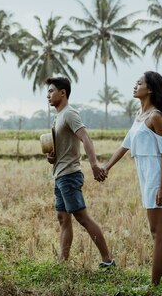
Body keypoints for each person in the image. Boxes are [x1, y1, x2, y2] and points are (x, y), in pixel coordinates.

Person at [102, 71, 162, 285]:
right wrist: (106, 167)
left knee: (157, 233)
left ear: (150, 89)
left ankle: (154, 285)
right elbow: (125, 145)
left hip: (156, 179)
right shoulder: (139, 116)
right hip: (147, 178)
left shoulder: (155, 116)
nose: (135, 86)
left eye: (139, 83)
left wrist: (161, 187)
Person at [45, 76, 115, 268]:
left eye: (51, 91)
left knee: (82, 218)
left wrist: (94, 166)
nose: (48, 95)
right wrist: (52, 158)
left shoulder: (69, 114)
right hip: (60, 174)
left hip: (69, 175)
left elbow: (86, 138)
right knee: (63, 218)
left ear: (63, 93)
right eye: (48, 92)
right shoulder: (58, 117)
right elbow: (63, 149)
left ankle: (108, 260)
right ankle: (63, 262)